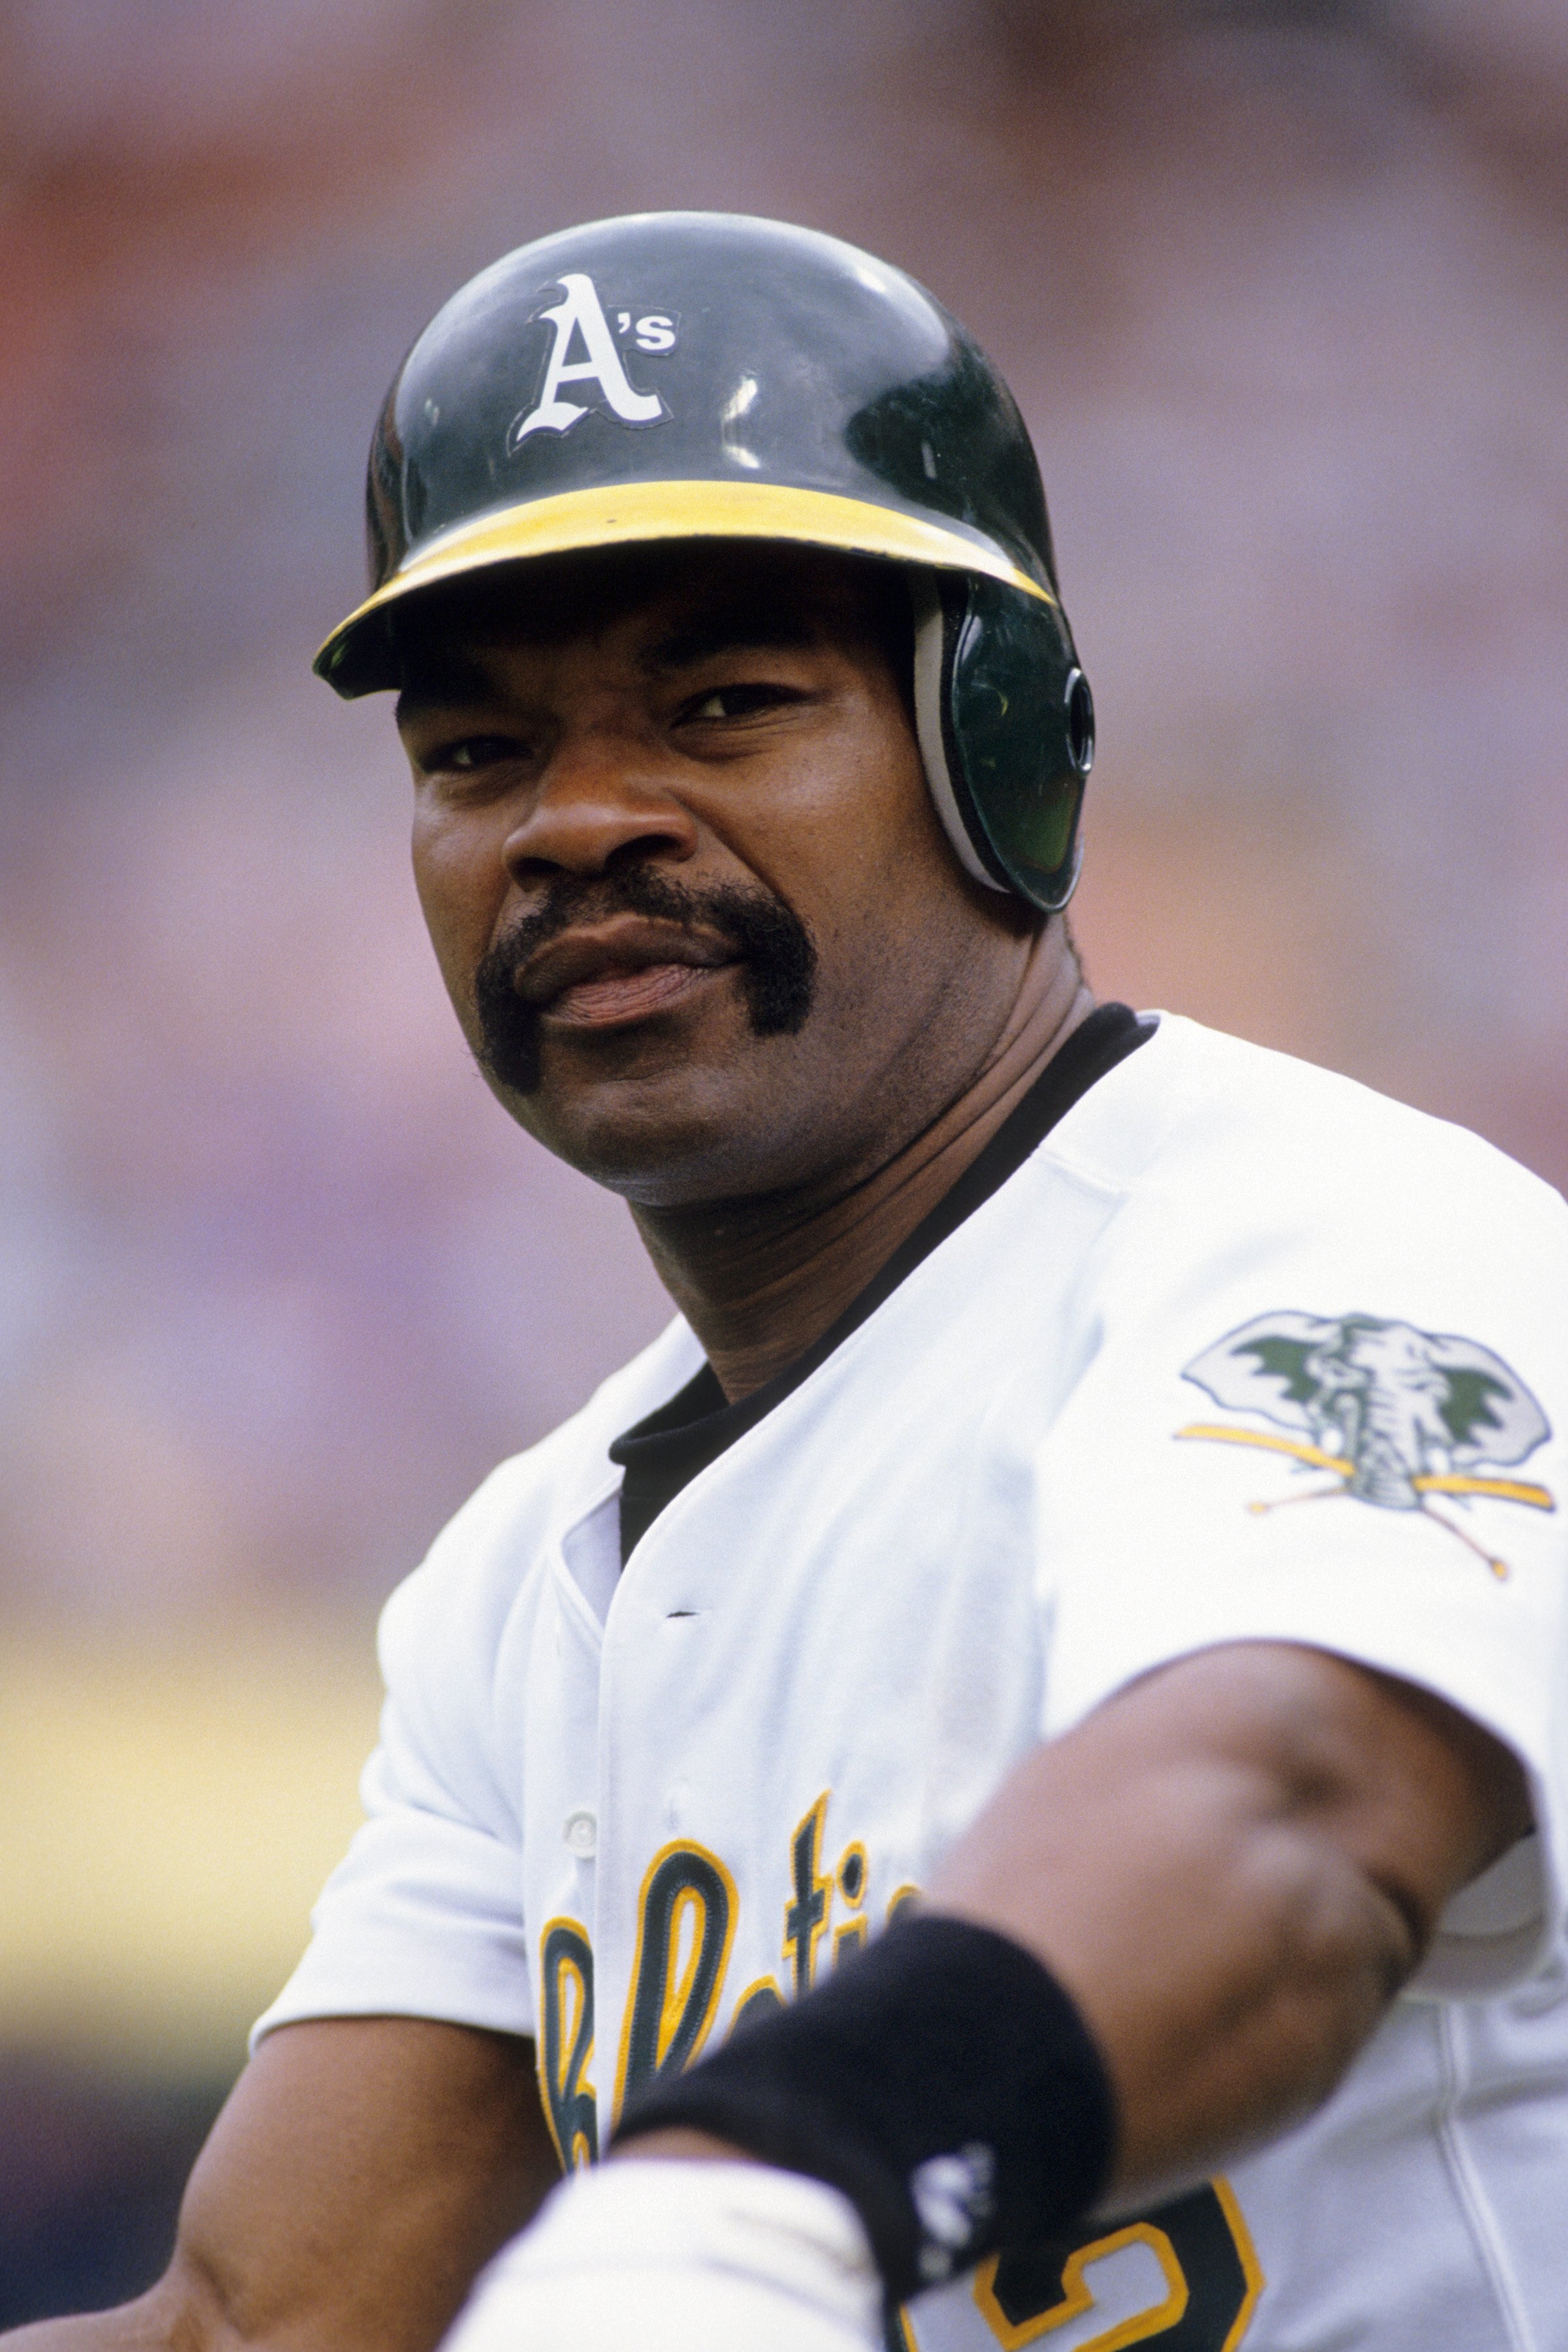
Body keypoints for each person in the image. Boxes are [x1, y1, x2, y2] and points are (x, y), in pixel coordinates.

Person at [17, 210, 1566, 2352]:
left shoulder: (1327, 1238)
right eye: (478, 756)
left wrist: (772, 2185)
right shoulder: (525, 1573)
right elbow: (269, 2323)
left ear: (998, 747)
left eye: (725, 705)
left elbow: (1294, 1819)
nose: (571, 825)